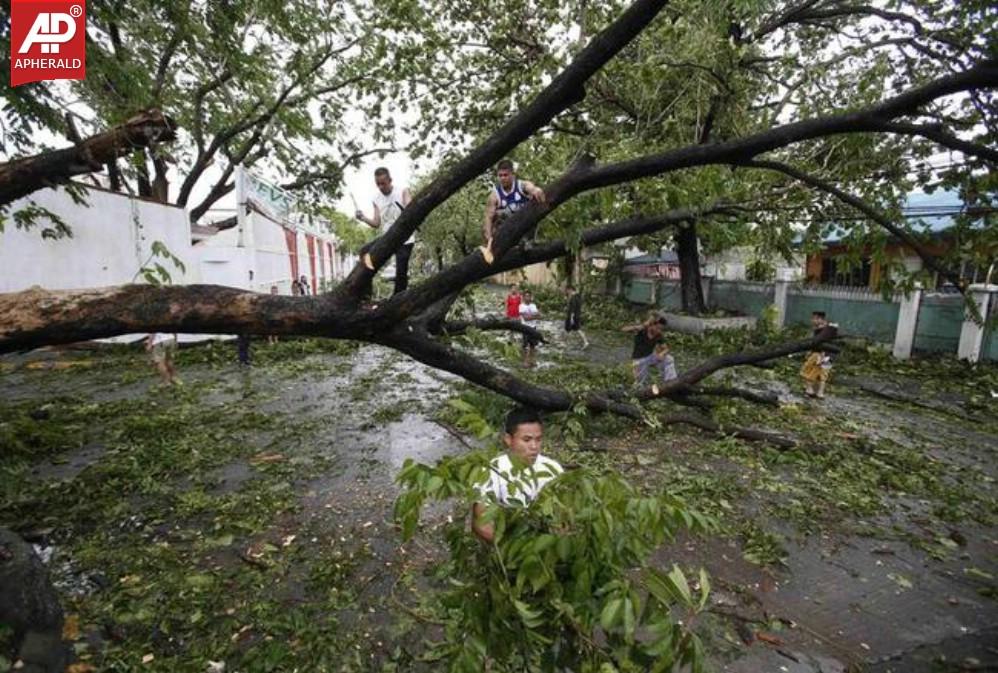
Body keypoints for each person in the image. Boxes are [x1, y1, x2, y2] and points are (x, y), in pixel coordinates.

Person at [472, 407, 563, 542]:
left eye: (538, 439)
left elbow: (563, 517)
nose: (534, 446)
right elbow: (481, 521)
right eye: (526, 440)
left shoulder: (553, 469)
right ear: (508, 439)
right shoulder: (492, 471)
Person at [355, 167, 414, 294]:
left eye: (383, 183)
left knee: (401, 272)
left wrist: (409, 206)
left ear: (390, 180)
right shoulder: (376, 199)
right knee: (365, 252)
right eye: (378, 184)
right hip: (388, 238)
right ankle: (366, 293)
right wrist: (363, 218)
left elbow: (410, 207)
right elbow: (376, 223)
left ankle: (397, 300)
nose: (381, 187)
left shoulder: (403, 191)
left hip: (405, 238)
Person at [480, 159, 546, 264]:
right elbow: (488, 218)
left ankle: (527, 242)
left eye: (505, 175)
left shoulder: (522, 186)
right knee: (499, 214)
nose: (502, 178)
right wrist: (488, 239)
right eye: (500, 175)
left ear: (512, 175)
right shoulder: (494, 195)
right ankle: (501, 247)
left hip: (525, 227)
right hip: (507, 230)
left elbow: (532, 188)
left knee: (532, 206)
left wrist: (536, 190)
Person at [622, 314, 677, 390]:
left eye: (661, 329)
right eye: (657, 328)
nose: (658, 331)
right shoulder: (642, 331)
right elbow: (624, 329)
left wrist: (661, 353)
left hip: (651, 356)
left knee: (669, 359)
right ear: (652, 325)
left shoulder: (658, 335)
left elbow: (666, 348)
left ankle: (671, 382)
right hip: (639, 360)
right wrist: (641, 326)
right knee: (639, 384)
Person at [800, 311, 838, 399]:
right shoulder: (828, 328)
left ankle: (810, 390)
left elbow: (821, 343)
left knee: (808, 370)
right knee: (822, 374)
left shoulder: (826, 330)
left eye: (814, 318)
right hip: (828, 355)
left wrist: (821, 355)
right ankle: (819, 393)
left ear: (820, 319)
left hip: (821, 354)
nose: (812, 320)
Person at [519, 290, 541, 368]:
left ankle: (531, 361)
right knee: (525, 346)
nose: (528, 298)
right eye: (526, 296)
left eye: (529, 296)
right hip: (525, 328)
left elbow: (540, 316)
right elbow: (525, 318)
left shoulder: (533, 305)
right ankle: (525, 361)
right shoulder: (521, 306)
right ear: (524, 297)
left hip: (533, 327)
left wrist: (532, 316)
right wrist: (534, 316)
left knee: (533, 345)